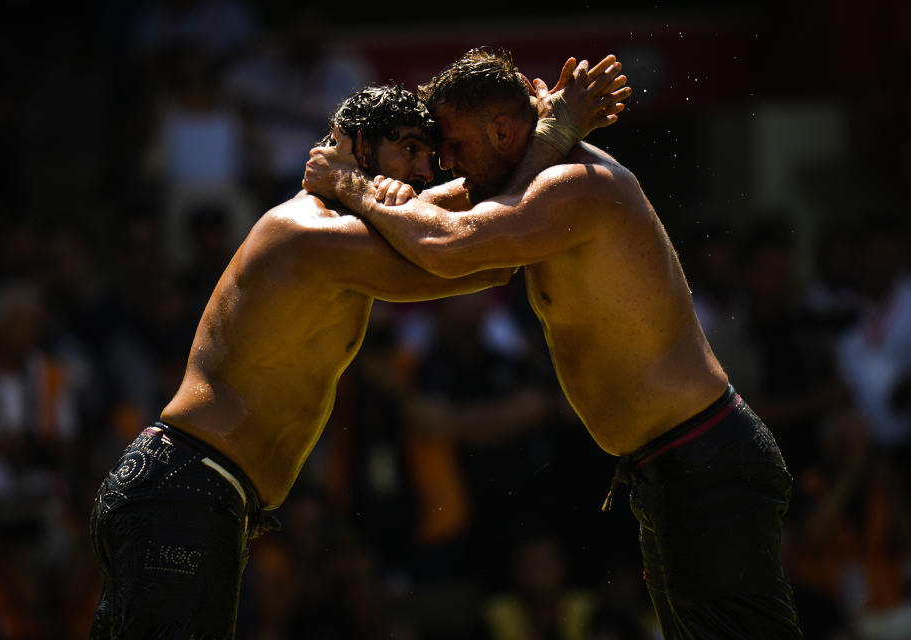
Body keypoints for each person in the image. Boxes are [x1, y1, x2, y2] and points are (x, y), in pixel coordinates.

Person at [89, 72, 621, 638]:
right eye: (409, 149)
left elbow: (474, 214)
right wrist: (551, 135)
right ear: (354, 143)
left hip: (207, 497)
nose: (424, 170)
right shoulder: (305, 231)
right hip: (184, 487)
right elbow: (474, 253)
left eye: (430, 154)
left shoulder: (355, 225)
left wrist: (535, 135)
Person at [303, 47, 804, 638]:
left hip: (706, 459)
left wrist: (353, 186)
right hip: (668, 468)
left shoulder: (574, 187)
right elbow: (438, 226)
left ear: (502, 130)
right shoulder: (526, 188)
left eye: (455, 147)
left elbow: (449, 248)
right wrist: (551, 130)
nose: (448, 166)